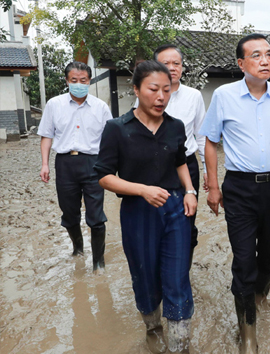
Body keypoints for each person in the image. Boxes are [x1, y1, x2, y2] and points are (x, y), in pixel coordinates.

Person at [199, 33, 270, 353]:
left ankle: (259, 296)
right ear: (241, 63)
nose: (265, 60)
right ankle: (248, 332)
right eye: (256, 55)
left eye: (269, 55)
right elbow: (210, 141)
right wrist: (214, 186)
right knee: (244, 259)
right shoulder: (224, 96)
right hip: (240, 188)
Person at [94, 60, 197, 354]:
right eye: (154, 89)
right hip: (138, 212)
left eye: (167, 90)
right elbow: (104, 177)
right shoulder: (117, 129)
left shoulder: (175, 126)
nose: (161, 96)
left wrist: (189, 191)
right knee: (145, 274)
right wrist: (142, 190)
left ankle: (180, 345)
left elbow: (180, 162)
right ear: (137, 89)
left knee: (178, 276)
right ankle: (153, 327)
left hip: (175, 208)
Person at [38, 61, 112, 273]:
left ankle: (99, 262)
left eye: (83, 80)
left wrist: (110, 166)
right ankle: (78, 250)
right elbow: (46, 136)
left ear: (89, 81)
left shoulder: (101, 107)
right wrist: (44, 164)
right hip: (65, 164)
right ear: (67, 81)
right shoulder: (54, 105)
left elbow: (110, 139)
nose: (79, 84)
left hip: (94, 164)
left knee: (96, 216)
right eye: (74, 80)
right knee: (69, 214)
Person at [150, 44, 207, 268]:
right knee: (156, 218)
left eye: (177, 63)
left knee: (187, 217)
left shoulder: (194, 96)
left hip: (187, 166)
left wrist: (206, 172)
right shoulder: (147, 95)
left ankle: (183, 271)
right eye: (166, 63)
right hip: (155, 167)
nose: (172, 68)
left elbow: (201, 136)